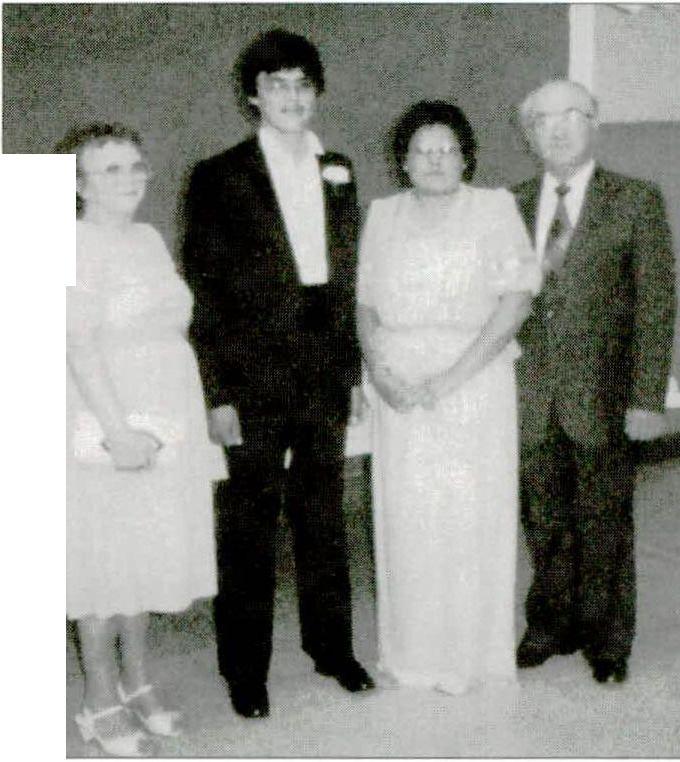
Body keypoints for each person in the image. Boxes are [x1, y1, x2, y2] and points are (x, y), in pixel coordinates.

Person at [181, 29, 374, 719]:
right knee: (249, 527)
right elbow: (205, 293)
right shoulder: (218, 175)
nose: (291, 97)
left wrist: (352, 373)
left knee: (324, 518)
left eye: (302, 84)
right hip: (251, 377)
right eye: (276, 85)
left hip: (324, 371)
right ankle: (245, 672)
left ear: (315, 93)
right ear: (253, 96)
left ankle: (332, 649)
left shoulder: (339, 167)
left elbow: (345, 280)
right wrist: (218, 394)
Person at [357, 100, 541, 695]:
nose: (435, 161)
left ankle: (466, 657)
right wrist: (380, 372)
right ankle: (413, 655)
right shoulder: (382, 214)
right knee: (409, 519)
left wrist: (451, 378)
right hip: (398, 385)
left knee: (467, 516)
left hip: (475, 380)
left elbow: (516, 301)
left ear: (466, 158)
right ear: (404, 161)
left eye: (447, 150)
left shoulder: (495, 207)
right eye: (422, 150)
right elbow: (365, 304)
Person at [64, 124, 225, 756]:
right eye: (110, 169)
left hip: (165, 415)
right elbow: (78, 346)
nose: (129, 178)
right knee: (104, 561)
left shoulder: (148, 238)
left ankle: (137, 683)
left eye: (136, 165)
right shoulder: (70, 242)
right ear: (79, 184)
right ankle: (98, 699)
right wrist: (117, 431)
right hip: (107, 417)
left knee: (144, 555)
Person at [514, 80, 676, 684]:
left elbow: (655, 304)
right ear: (530, 134)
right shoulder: (508, 204)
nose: (557, 129)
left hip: (604, 395)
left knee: (605, 519)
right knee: (543, 518)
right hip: (529, 394)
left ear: (594, 123)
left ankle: (608, 642)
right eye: (543, 120)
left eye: (571, 115)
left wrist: (646, 398)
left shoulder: (635, 200)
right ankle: (550, 625)